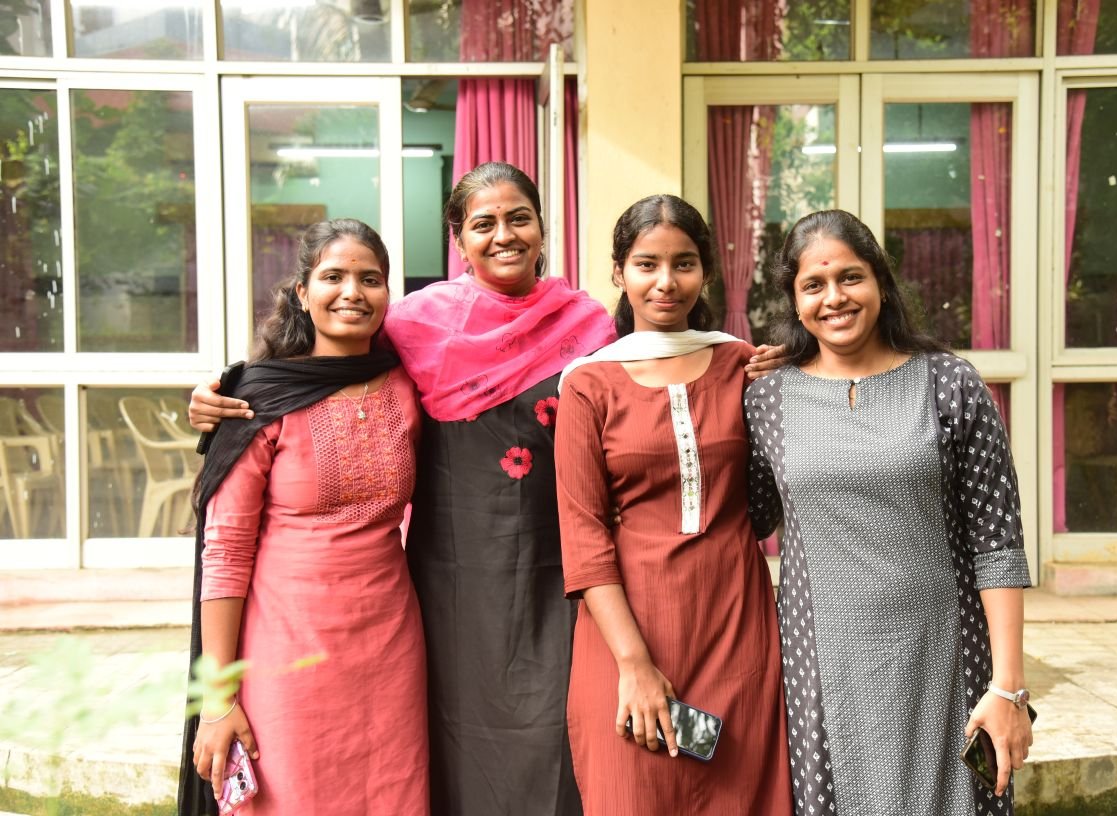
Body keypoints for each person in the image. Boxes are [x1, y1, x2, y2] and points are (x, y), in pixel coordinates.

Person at [187, 162, 785, 815]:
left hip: (561, 570)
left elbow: (654, 388)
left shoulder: (588, 327)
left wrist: (771, 377)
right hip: (454, 578)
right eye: (484, 223)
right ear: (459, 239)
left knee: (561, 736)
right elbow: (326, 359)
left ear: (542, 230)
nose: (504, 235)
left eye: (519, 219)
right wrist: (228, 391)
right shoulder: (416, 323)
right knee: (454, 737)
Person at [743, 209, 1033, 816]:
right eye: (814, 285)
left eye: (850, 277)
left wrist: (1007, 687)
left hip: (948, 655)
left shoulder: (950, 383)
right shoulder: (767, 398)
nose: (834, 298)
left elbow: (998, 542)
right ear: (794, 301)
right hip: (821, 667)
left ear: (880, 280)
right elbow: (747, 518)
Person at [178, 218, 428, 816]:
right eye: (333, 276)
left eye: (370, 279)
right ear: (302, 292)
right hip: (285, 648)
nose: (352, 292)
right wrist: (217, 697)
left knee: (390, 795)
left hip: (390, 643)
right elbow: (225, 551)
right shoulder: (259, 398)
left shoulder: (407, 383)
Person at [554, 194, 791, 814]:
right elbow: (582, 538)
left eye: (683, 263)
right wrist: (634, 664)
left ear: (705, 271)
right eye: (646, 264)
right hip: (627, 631)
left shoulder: (744, 365)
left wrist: (791, 382)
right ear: (619, 273)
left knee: (740, 797)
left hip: (734, 625)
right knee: (630, 793)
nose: (666, 282)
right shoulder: (588, 384)